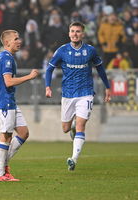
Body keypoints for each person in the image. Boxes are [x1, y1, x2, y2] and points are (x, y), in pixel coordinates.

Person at [45, 22, 111, 171]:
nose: (75, 34)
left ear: (83, 34)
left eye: (78, 31)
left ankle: (73, 159)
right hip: (68, 94)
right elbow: (49, 69)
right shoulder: (62, 51)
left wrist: (107, 87)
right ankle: (73, 127)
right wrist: (47, 87)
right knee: (65, 128)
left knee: (82, 124)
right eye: (73, 31)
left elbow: (100, 69)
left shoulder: (90, 51)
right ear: (69, 34)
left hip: (85, 93)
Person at [0, 30, 39, 181]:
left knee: (23, 133)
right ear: (7, 43)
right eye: (16, 39)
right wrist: (30, 76)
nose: (19, 41)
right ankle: (1, 174)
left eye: (19, 38)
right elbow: (8, 82)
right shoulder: (7, 59)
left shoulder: (2, 57)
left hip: (8, 101)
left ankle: (2, 165)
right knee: (6, 136)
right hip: (5, 102)